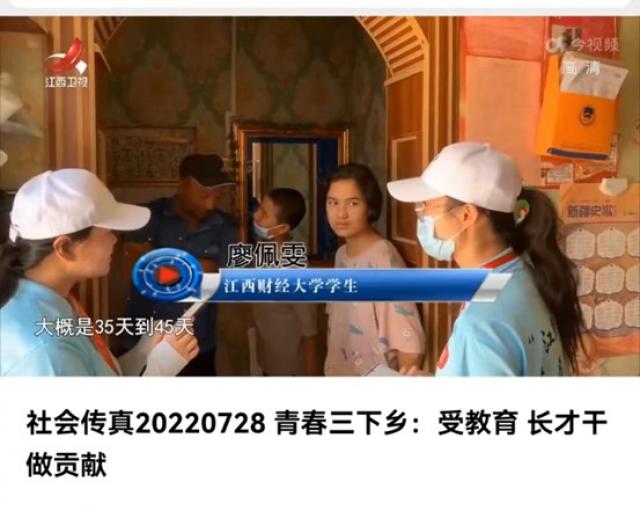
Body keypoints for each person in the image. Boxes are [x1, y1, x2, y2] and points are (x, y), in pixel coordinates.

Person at [387, 141, 584, 376]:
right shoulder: (522, 274)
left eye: (426, 206)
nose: (422, 217)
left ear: (466, 215)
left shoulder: (480, 326)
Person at [0, 168, 199, 377]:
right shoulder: (46, 353)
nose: (114, 240)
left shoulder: (53, 301)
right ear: (64, 247)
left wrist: (141, 354)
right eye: (107, 232)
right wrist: (160, 370)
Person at [123, 153, 238, 376]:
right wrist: (201, 267)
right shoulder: (148, 217)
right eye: (204, 195)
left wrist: (166, 267)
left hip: (197, 343)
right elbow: (135, 268)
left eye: (217, 197)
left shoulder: (226, 226)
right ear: (183, 185)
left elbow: (225, 277)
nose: (210, 204)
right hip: (143, 339)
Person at [324, 163, 425, 376]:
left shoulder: (383, 258)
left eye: (353, 203)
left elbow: (409, 344)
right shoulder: (341, 255)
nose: (340, 213)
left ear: (370, 206)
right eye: (333, 202)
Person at [251, 188, 320, 376]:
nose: (256, 215)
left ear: (283, 228)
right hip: (267, 361)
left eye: (264, 214)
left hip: (290, 371)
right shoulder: (263, 252)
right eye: (259, 208)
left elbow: (310, 334)